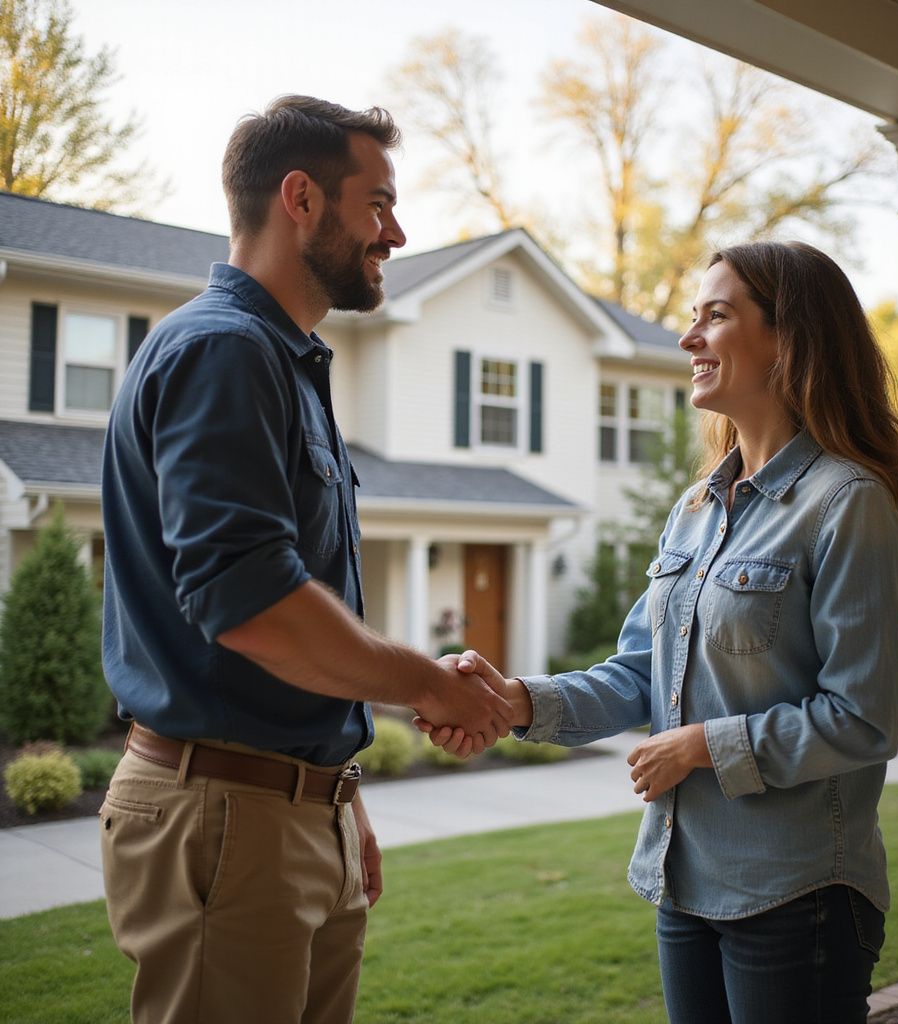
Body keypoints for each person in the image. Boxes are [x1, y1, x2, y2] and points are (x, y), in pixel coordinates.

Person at [421, 241, 898, 1023]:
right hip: (684, 876)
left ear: (788, 339)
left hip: (796, 890)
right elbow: (639, 671)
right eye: (691, 317)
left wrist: (704, 745)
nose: (688, 337)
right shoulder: (699, 507)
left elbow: (867, 719)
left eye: (716, 315)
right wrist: (516, 700)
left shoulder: (847, 505)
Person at [100, 95, 512, 1024]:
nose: (396, 232)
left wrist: (334, 787)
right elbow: (251, 601)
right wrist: (425, 684)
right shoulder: (224, 352)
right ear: (301, 199)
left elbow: (287, 609)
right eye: (378, 204)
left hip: (287, 807)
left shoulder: (284, 360)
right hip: (224, 817)